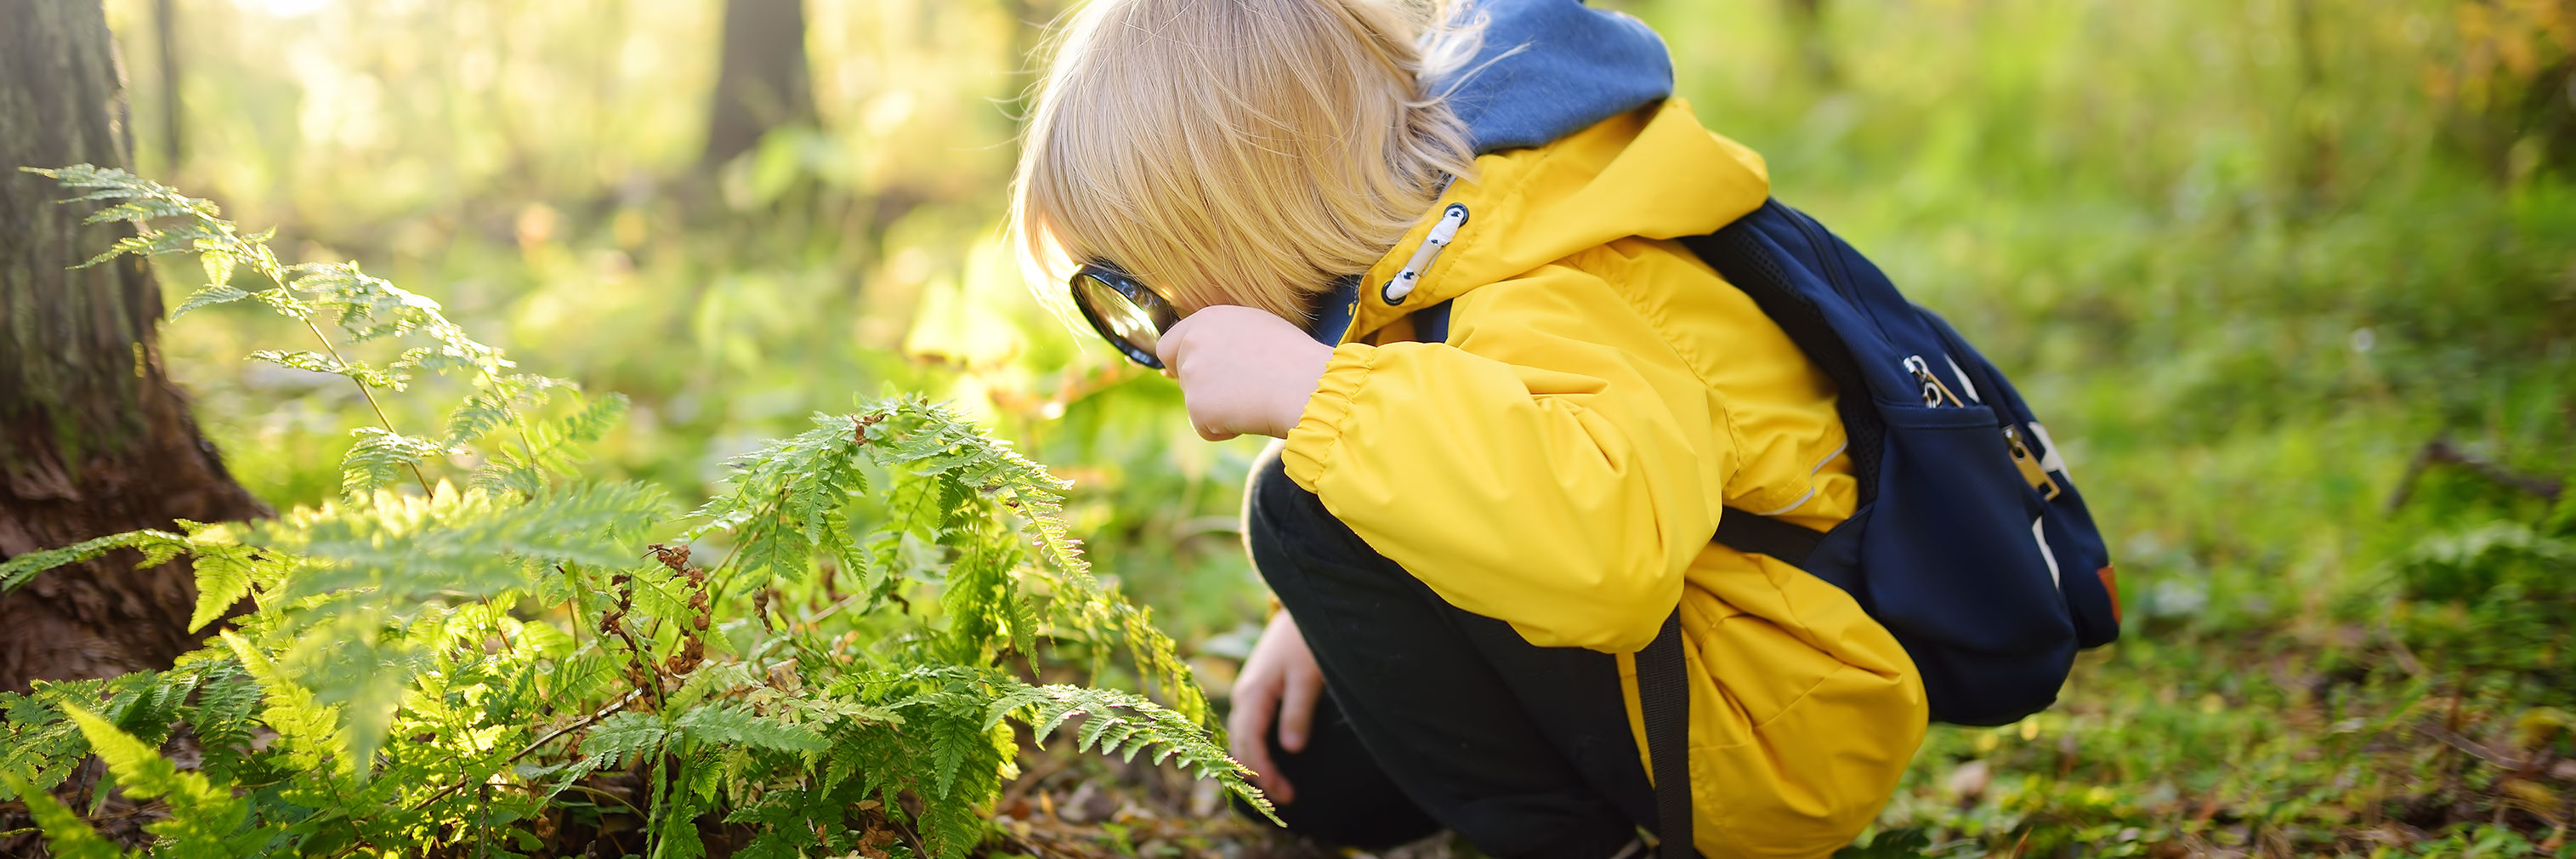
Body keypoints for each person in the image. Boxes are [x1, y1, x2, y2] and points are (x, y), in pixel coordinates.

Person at [1007, 1, 1928, 856]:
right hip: (1701, 676)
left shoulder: (1539, 276)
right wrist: (1329, 606)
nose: (1152, 335)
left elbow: (1609, 558)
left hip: (1767, 718)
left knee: (1294, 503)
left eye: (1142, 294)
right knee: (1318, 780)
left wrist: (1315, 395)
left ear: (1248, 219)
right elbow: (1470, 446)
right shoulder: (1430, 256)